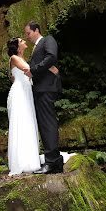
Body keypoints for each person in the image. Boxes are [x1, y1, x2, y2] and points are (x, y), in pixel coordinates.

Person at [24, 21, 63, 174]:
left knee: (47, 123)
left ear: (36, 30)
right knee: (45, 123)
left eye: (28, 33)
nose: (27, 37)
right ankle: (54, 162)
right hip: (40, 89)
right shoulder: (35, 48)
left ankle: (52, 163)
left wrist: (34, 70)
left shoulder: (48, 40)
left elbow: (52, 57)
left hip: (46, 88)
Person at [6, 37, 41, 175]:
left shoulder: (22, 58)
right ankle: (20, 161)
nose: (25, 42)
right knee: (21, 122)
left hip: (26, 93)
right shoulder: (14, 58)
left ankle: (30, 160)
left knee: (28, 122)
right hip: (19, 93)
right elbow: (27, 70)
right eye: (22, 41)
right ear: (17, 46)